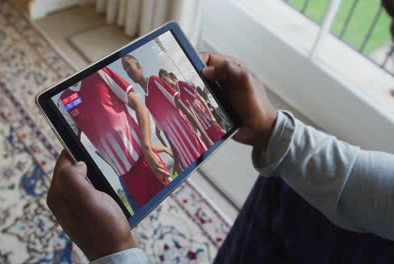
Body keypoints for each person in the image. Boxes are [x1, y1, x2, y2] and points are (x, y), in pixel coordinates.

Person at [47, 53, 394, 263]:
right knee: (281, 186)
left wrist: (117, 255)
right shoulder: (72, 101)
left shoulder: (138, 83)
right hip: (124, 172)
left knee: (114, 228)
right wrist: (273, 131)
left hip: (144, 155)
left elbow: (164, 107)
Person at [57, 66, 172, 208]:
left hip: (145, 158)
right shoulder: (63, 102)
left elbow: (138, 105)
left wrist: (148, 149)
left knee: (173, 203)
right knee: (153, 215)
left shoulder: (98, 72)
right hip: (125, 175)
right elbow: (72, 147)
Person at [121, 55, 214, 169]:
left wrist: (205, 137)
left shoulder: (155, 81)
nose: (127, 71)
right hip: (183, 153)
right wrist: (176, 161)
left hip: (192, 141)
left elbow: (182, 107)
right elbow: (168, 134)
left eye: (128, 65)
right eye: (124, 69)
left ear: (138, 66)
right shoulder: (146, 101)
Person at [159, 69, 226, 142]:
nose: (165, 83)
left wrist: (212, 116)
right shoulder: (175, 96)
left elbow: (200, 98)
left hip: (208, 122)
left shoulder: (181, 84)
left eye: (165, 79)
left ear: (168, 76)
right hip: (201, 130)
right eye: (163, 82)